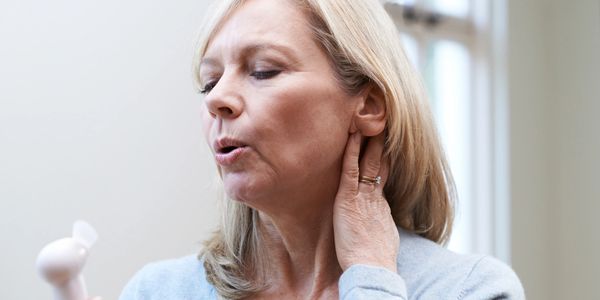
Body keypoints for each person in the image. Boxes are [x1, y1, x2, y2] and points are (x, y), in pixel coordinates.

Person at [120, 0, 525, 299]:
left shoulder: (469, 289)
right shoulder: (156, 291)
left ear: (368, 105)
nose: (217, 99)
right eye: (209, 82)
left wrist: (371, 279)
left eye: (263, 70)